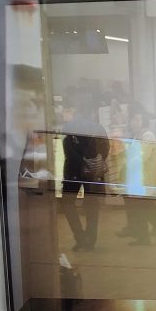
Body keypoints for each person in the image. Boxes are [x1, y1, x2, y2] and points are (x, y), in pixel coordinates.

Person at [121, 110, 156, 246]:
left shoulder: (147, 136)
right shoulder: (137, 136)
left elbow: (142, 156)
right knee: (145, 209)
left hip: (143, 179)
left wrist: (127, 161)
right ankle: (149, 235)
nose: (133, 122)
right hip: (137, 178)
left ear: (144, 121)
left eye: (137, 119)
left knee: (144, 209)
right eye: (132, 119)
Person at [61, 96, 109, 252]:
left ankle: (79, 237)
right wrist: (93, 162)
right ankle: (91, 240)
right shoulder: (98, 127)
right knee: (91, 206)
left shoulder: (70, 126)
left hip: (72, 172)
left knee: (67, 204)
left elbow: (68, 150)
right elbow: (105, 148)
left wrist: (80, 162)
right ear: (93, 112)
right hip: (92, 173)